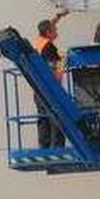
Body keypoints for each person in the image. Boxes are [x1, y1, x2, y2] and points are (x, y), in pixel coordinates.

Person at [30, 9, 69, 149]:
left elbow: (47, 26)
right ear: (48, 32)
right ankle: (57, 147)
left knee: (43, 117)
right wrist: (64, 59)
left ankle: (44, 147)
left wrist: (58, 17)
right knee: (57, 116)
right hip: (50, 88)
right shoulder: (48, 46)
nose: (57, 31)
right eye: (55, 30)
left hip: (39, 88)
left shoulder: (39, 42)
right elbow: (52, 65)